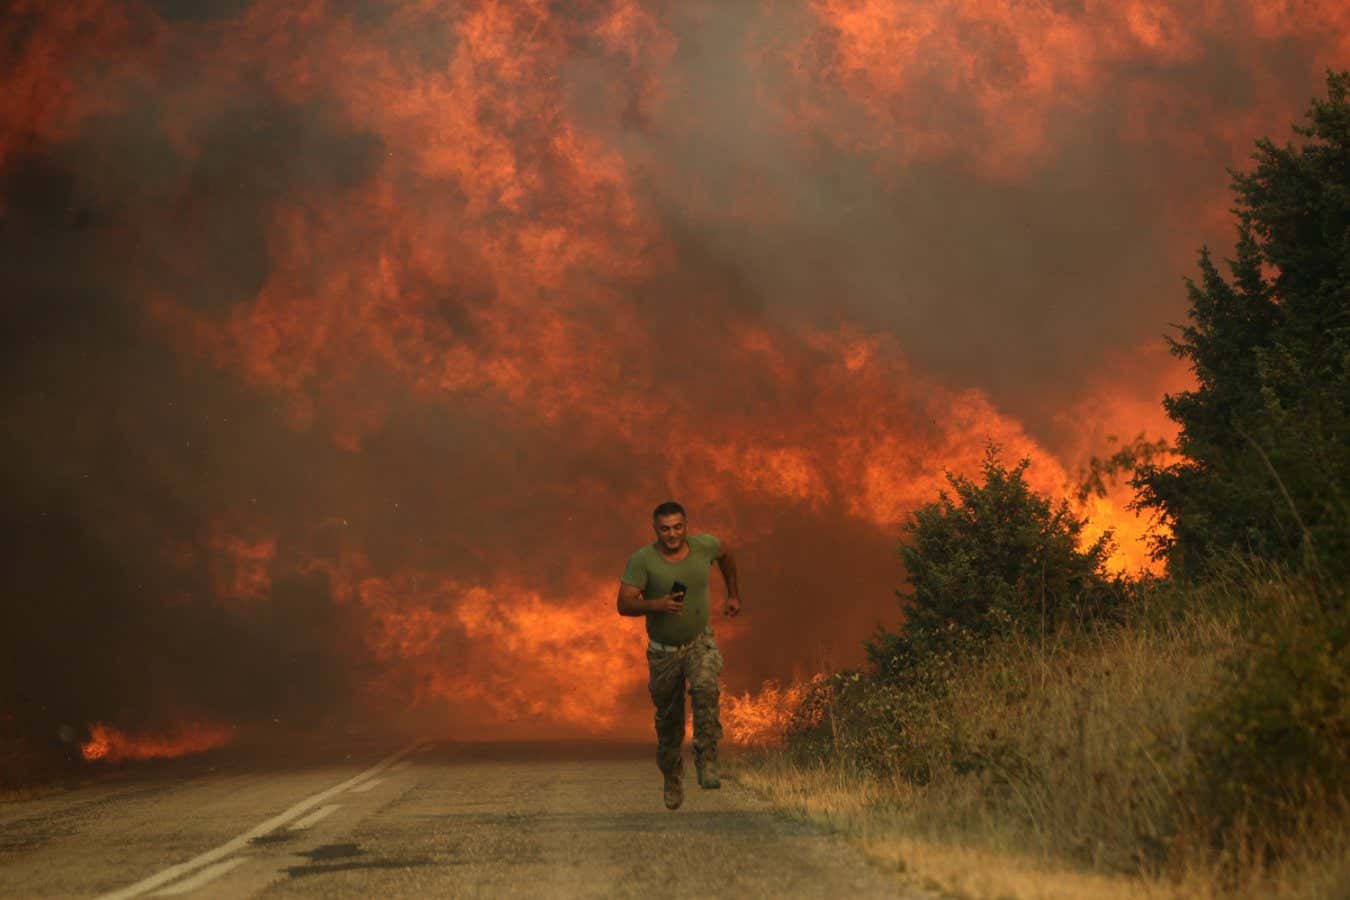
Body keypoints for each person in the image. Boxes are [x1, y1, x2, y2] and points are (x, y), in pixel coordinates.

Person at [616, 501, 740, 810]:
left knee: (706, 688)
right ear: (655, 529)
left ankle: (707, 758)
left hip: (699, 642)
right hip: (663, 654)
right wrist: (656, 605)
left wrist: (734, 594)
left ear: (686, 526)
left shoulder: (704, 547)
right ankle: (672, 777)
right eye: (665, 529)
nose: (672, 534)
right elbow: (624, 603)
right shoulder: (643, 561)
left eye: (677, 527)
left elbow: (726, 556)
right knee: (669, 725)